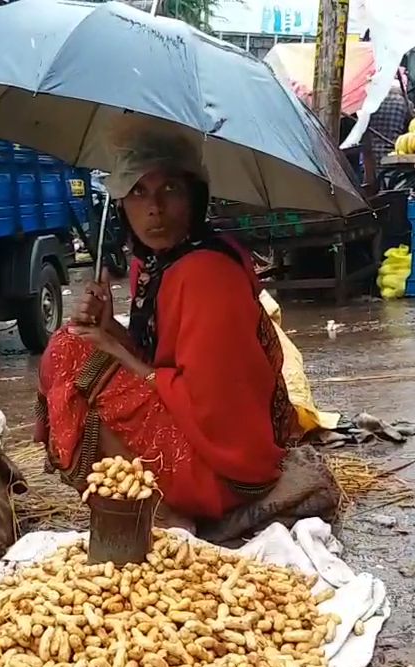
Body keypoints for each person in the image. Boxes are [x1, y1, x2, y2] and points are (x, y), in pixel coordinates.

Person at [34, 124, 333, 534]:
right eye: (138, 191)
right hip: (200, 430)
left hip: (227, 464)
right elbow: (161, 358)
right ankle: (144, 497)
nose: (154, 208)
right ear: (121, 204)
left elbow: (208, 403)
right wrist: (110, 329)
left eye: (170, 189)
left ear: (194, 197)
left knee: (73, 355)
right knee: (73, 342)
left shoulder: (205, 273)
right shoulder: (158, 262)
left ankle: (158, 509)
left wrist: (116, 349)